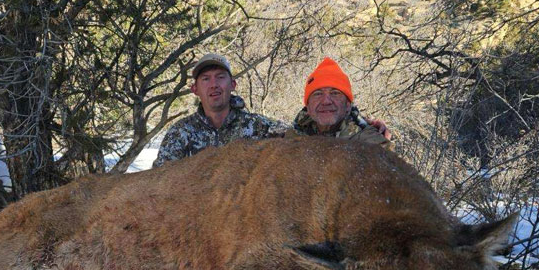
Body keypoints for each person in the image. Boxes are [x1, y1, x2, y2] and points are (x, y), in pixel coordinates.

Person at [154, 53, 289, 166]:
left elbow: (298, 139)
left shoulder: (259, 127)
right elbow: (160, 180)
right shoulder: (179, 133)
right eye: (206, 79)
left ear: (232, 84)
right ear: (195, 89)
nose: (214, 85)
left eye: (220, 77)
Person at [292, 57, 392, 147]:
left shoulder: (372, 145)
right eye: (318, 94)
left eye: (335, 93)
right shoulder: (292, 137)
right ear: (308, 107)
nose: (326, 101)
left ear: (348, 105)